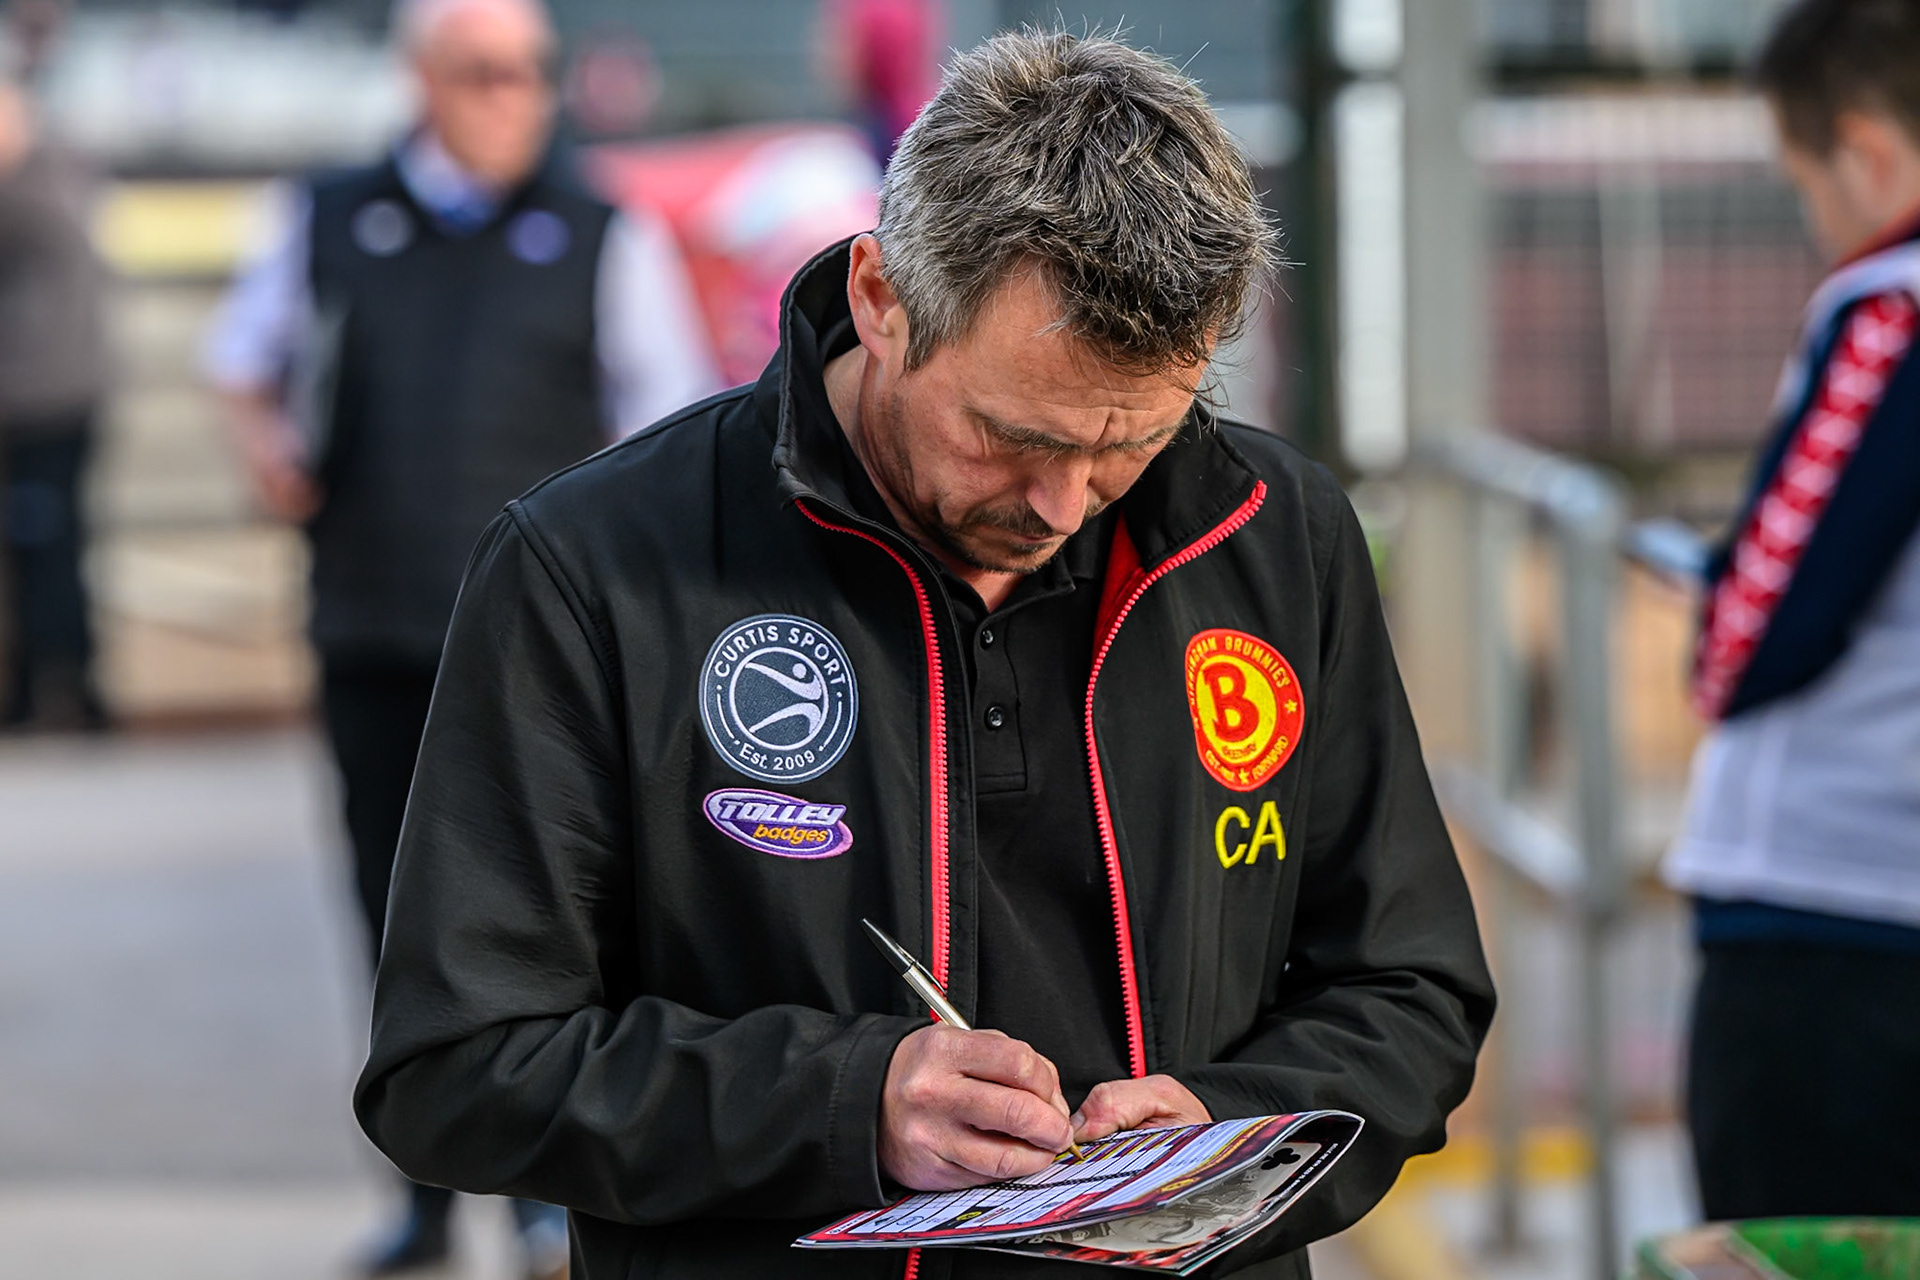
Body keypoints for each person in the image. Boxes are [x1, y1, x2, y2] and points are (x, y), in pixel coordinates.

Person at [356, 30, 1494, 1280]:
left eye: (1132, 443)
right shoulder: (593, 563)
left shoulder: (1271, 534)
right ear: (881, 298)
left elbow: (1409, 988)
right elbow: (456, 1063)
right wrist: (845, 1103)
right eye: (1013, 436)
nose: (1063, 502)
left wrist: (1229, 1127)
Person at [202, 0, 719, 1273]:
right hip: (374, 623)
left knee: (564, 916)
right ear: (423, 79)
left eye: (533, 71)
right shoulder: (328, 215)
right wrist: (271, 454)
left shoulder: (601, 228)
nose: (515, 96)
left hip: (547, 652)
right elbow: (240, 357)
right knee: (390, 912)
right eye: (486, 72)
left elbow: (667, 417)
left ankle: (546, 1189)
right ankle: (424, 1188)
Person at [1666, 0, 1920, 1222]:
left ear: (1865, 150)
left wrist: (1716, 594)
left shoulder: (1892, 308)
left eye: (1804, 182)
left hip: (1839, 918)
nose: (1817, 217)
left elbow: (1747, 639)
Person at [0, 74, 107, 732]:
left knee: (43, 548)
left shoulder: (27, 195)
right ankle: (62, 686)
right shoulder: (65, 175)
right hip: (61, 391)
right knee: (51, 544)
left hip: (38, 397)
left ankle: (53, 689)